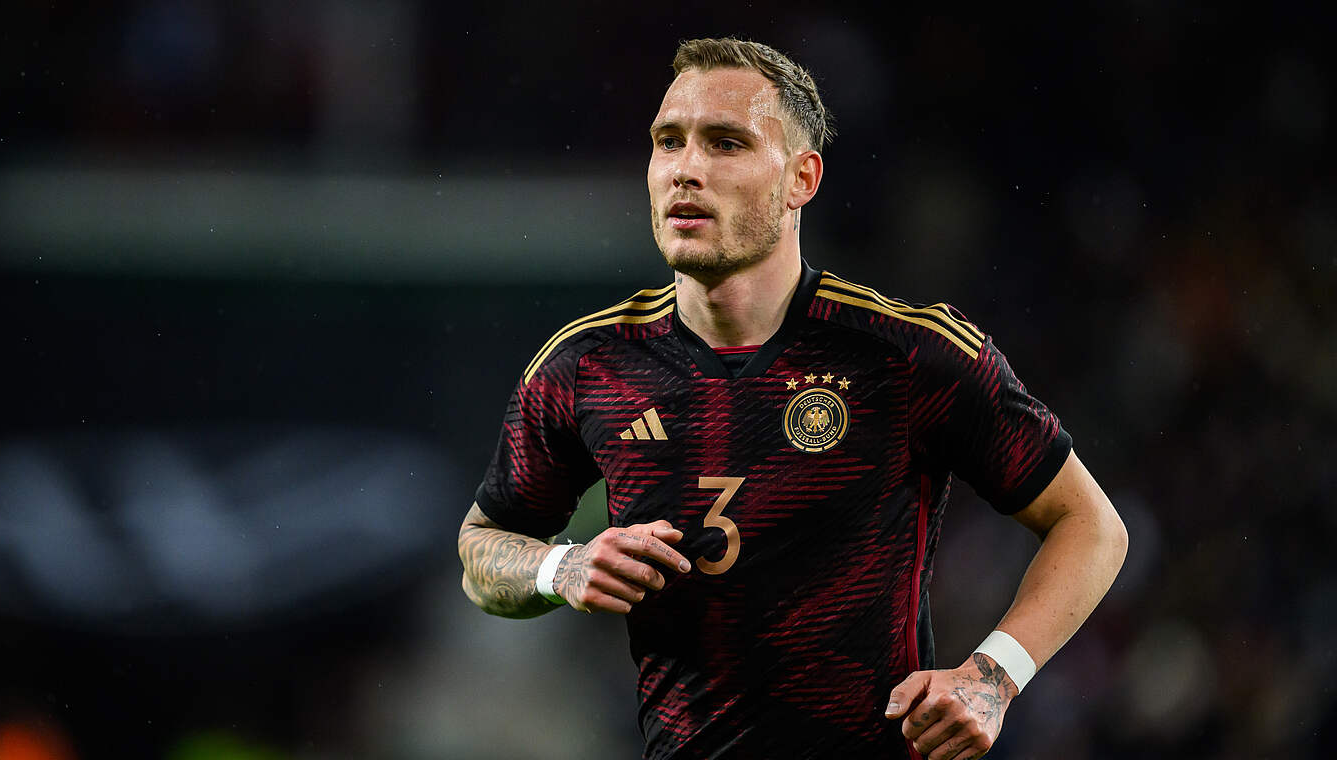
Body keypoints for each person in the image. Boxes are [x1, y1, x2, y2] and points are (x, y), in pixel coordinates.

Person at [458, 37, 1128, 760]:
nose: (686, 169)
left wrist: (993, 677)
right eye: (668, 141)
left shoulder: (907, 354)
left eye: (726, 143)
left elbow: (1091, 526)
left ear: (800, 179)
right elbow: (481, 547)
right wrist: (560, 569)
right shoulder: (588, 366)